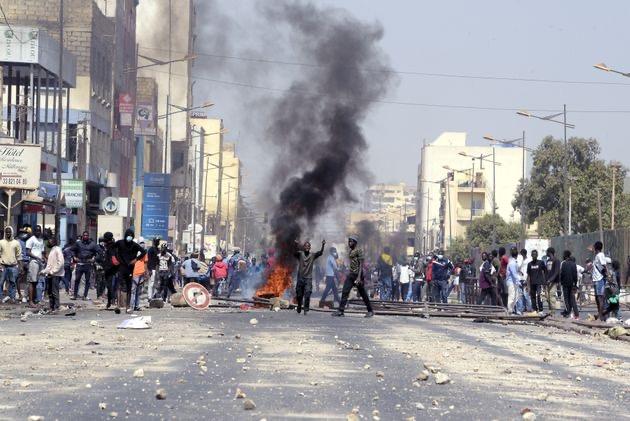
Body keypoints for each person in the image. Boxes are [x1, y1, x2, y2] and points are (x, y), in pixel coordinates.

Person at [332, 236, 373, 318]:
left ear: (355, 242)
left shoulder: (359, 250)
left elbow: (361, 264)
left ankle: (370, 311)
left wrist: (358, 278)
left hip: (358, 275)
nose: (349, 243)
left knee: (363, 294)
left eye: (351, 241)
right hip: (351, 274)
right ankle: (341, 310)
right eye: (349, 241)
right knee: (345, 291)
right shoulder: (350, 251)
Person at [114, 229, 146, 313]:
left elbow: (143, 252)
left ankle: (127, 307)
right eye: (128, 235)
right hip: (121, 267)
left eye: (131, 236)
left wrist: (136, 259)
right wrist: (115, 258)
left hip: (130, 268)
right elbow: (113, 249)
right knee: (119, 286)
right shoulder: (120, 243)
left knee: (129, 287)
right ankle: (118, 305)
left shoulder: (134, 245)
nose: (129, 237)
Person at [293, 240, 325, 315]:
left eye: (308, 246)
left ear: (310, 247)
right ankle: (299, 306)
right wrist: (295, 245)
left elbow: (320, 253)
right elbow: (294, 253)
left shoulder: (312, 255)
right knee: (299, 295)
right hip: (300, 277)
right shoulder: (300, 254)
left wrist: (323, 245)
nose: (307, 247)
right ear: (303, 247)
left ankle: (306, 308)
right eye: (305, 246)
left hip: (308, 278)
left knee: (307, 293)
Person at [71, 231, 100, 300]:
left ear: (88, 236)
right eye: (84, 235)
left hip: (88, 264)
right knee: (77, 280)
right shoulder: (78, 243)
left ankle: (85, 295)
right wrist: (74, 257)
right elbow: (72, 250)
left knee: (87, 281)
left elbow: (100, 252)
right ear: (82, 236)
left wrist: (94, 259)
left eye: (87, 235)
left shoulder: (92, 244)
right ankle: (75, 295)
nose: (85, 236)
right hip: (80, 264)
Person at [40, 236, 64, 312]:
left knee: (54, 291)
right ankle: (52, 307)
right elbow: (49, 265)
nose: (48, 242)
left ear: (53, 241)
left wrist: (53, 271)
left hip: (55, 275)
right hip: (51, 274)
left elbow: (61, 263)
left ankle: (56, 307)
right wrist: (44, 271)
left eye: (50, 241)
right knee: (50, 291)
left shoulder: (57, 250)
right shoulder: (52, 250)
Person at [0, 226, 22, 304]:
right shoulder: (1, 242)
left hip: (13, 266)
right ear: (5, 233)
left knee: (12, 282)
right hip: (3, 266)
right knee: (1, 282)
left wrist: (20, 267)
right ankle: (0, 298)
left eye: (9, 232)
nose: (8, 233)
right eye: (7, 232)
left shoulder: (16, 243)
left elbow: (19, 255)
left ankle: (12, 298)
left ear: (12, 232)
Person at [25, 226, 45, 306]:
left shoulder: (41, 240)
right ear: (34, 231)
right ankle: (30, 301)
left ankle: (35, 299)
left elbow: (42, 252)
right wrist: (37, 257)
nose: (38, 232)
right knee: (31, 282)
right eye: (36, 231)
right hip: (33, 262)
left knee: (36, 282)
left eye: (39, 231)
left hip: (40, 263)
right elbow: (28, 252)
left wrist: (44, 259)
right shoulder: (31, 240)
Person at [591, 241, 610, 321]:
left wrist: (608, 275)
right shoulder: (597, 255)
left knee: (600, 298)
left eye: (594, 247)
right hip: (596, 279)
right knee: (598, 298)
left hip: (599, 279)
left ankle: (601, 316)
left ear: (596, 247)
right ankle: (600, 314)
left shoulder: (600, 255)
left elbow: (604, 265)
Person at [559, 250, 579, 319]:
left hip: (565, 284)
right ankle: (576, 314)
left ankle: (568, 312)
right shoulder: (574, 264)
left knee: (566, 299)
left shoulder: (563, 263)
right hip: (572, 284)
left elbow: (561, 274)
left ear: (565, 255)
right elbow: (575, 275)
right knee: (572, 299)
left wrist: (560, 282)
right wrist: (575, 284)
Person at [130, 241, 148, 312]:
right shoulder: (144, 253)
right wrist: (146, 273)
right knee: (136, 291)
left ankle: (134, 306)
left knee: (134, 291)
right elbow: (145, 264)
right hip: (139, 273)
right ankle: (135, 306)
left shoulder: (134, 252)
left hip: (137, 273)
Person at [516, 249, 533, 313]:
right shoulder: (521, 260)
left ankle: (529, 308)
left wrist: (527, 280)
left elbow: (529, 272)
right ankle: (523, 308)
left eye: (521, 253)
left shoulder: (529, 261)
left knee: (526, 294)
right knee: (521, 295)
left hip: (526, 279)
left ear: (523, 253)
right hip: (520, 279)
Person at [545, 247, 560, 313]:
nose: (546, 253)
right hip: (547, 282)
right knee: (547, 297)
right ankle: (550, 310)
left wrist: (550, 280)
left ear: (549, 252)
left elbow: (556, 272)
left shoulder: (556, 260)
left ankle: (553, 312)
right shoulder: (548, 261)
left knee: (551, 296)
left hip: (553, 282)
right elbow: (546, 271)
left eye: (547, 252)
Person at [505, 247, 520, 314]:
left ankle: (512, 309)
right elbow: (514, 274)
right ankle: (510, 311)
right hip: (511, 282)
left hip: (514, 282)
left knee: (516, 296)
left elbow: (516, 272)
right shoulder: (512, 263)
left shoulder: (514, 261)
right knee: (512, 296)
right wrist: (519, 281)